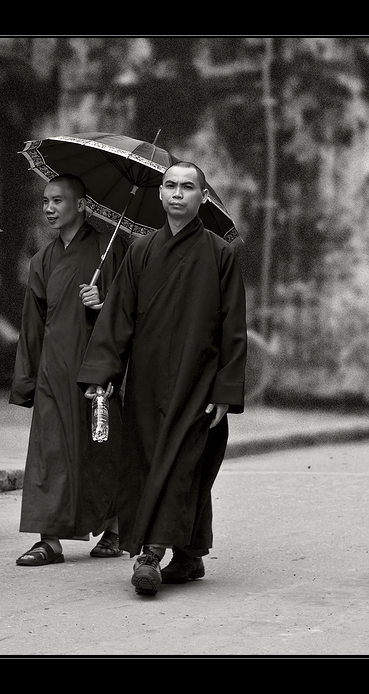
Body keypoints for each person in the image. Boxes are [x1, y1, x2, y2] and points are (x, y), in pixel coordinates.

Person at [78, 161, 247, 596]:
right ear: (159, 194)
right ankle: (188, 556)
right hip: (147, 381)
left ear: (202, 197)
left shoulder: (220, 254)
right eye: (170, 186)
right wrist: (102, 373)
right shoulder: (141, 251)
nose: (177, 194)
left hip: (198, 381)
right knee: (153, 463)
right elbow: (118, 318)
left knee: (180, 463)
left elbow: (233, 329)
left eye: (187, 187)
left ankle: (149, 555)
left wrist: (225, 391)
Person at [10, 174, 128, 566]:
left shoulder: (108, 249)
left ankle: (113, 528)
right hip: (52, 371)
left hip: (97, 368)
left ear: (81, 205)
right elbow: (32, 324)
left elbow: (133, 311)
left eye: (58, 201)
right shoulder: (42, 260)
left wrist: (103, 302)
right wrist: (27, 379)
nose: (48, 208)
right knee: (49, 452)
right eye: (45, 200)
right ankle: (50, 540)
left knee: (100, 448)